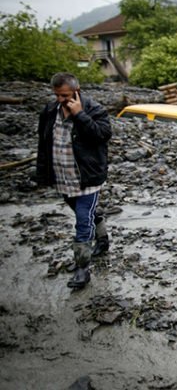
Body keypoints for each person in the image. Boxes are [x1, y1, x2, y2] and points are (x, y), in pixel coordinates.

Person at [35, 72, 112, 289]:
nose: (61, 100)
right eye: (57, 95)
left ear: (76, 91)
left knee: (82, 220)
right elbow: (43, 144)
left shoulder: (94, 109)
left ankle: (82, 269)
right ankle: (103, 239)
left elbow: (102, 135)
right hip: (62, 177)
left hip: (88, 178)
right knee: (86, 213)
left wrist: (80, 115)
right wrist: (42, 174)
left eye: (65, 96)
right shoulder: (50, 111)